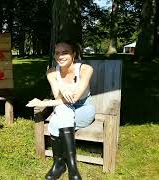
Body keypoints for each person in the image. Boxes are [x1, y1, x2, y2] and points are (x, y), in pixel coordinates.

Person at [26, 40, 95, 180]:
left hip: (83, 109)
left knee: (56, 122)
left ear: (74, 54)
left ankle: (60, 165)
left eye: (65, 53)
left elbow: (74, 99)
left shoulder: (85, 69)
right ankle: (72, 169)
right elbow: (59, 96)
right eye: (57, 53)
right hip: (63, 108)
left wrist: (42, 102)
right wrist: (62, 88)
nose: (60, 56)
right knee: (63, 111)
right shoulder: (51, 72)